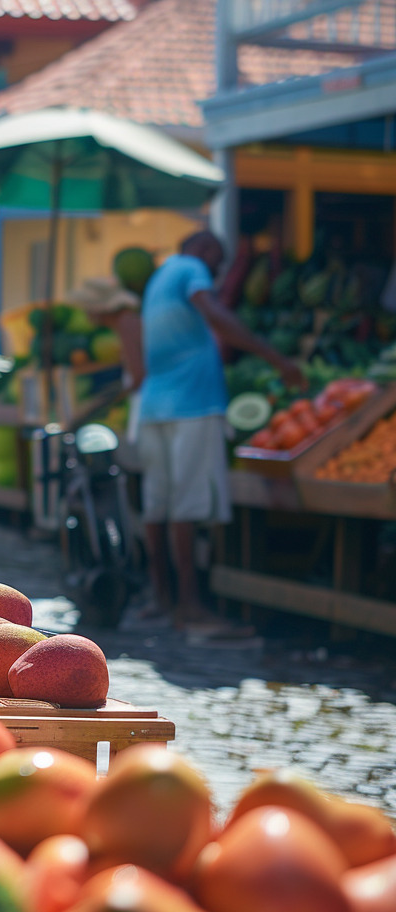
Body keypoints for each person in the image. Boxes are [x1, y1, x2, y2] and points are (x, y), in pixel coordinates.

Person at [136, 230, 305, 636]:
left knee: (158, 506)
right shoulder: (192, 268)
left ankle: (160, 598)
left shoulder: (158, 278)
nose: (219, 271)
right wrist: (275, 357)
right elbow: (214, 314)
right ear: (207, 250)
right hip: (193, 403)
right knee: (188, 506)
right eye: (220, 262)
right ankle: (190, 607)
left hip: (155, 405)